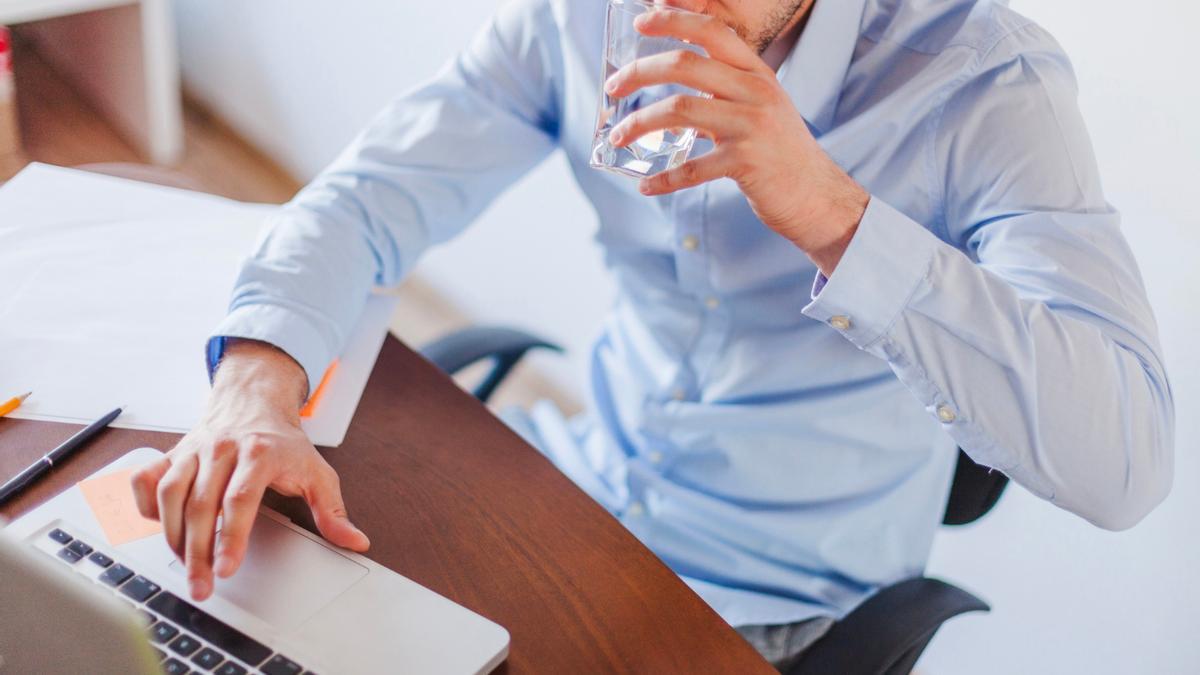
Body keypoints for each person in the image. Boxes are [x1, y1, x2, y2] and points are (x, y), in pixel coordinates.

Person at [131, 0, 1174, 668]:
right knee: (228, 614)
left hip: (770, 594)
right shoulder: (585, 15)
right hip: (576, 492)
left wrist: (834, 215)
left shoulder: (984, 83)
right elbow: (369, 195)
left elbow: (1124, 465)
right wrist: (253, 387)